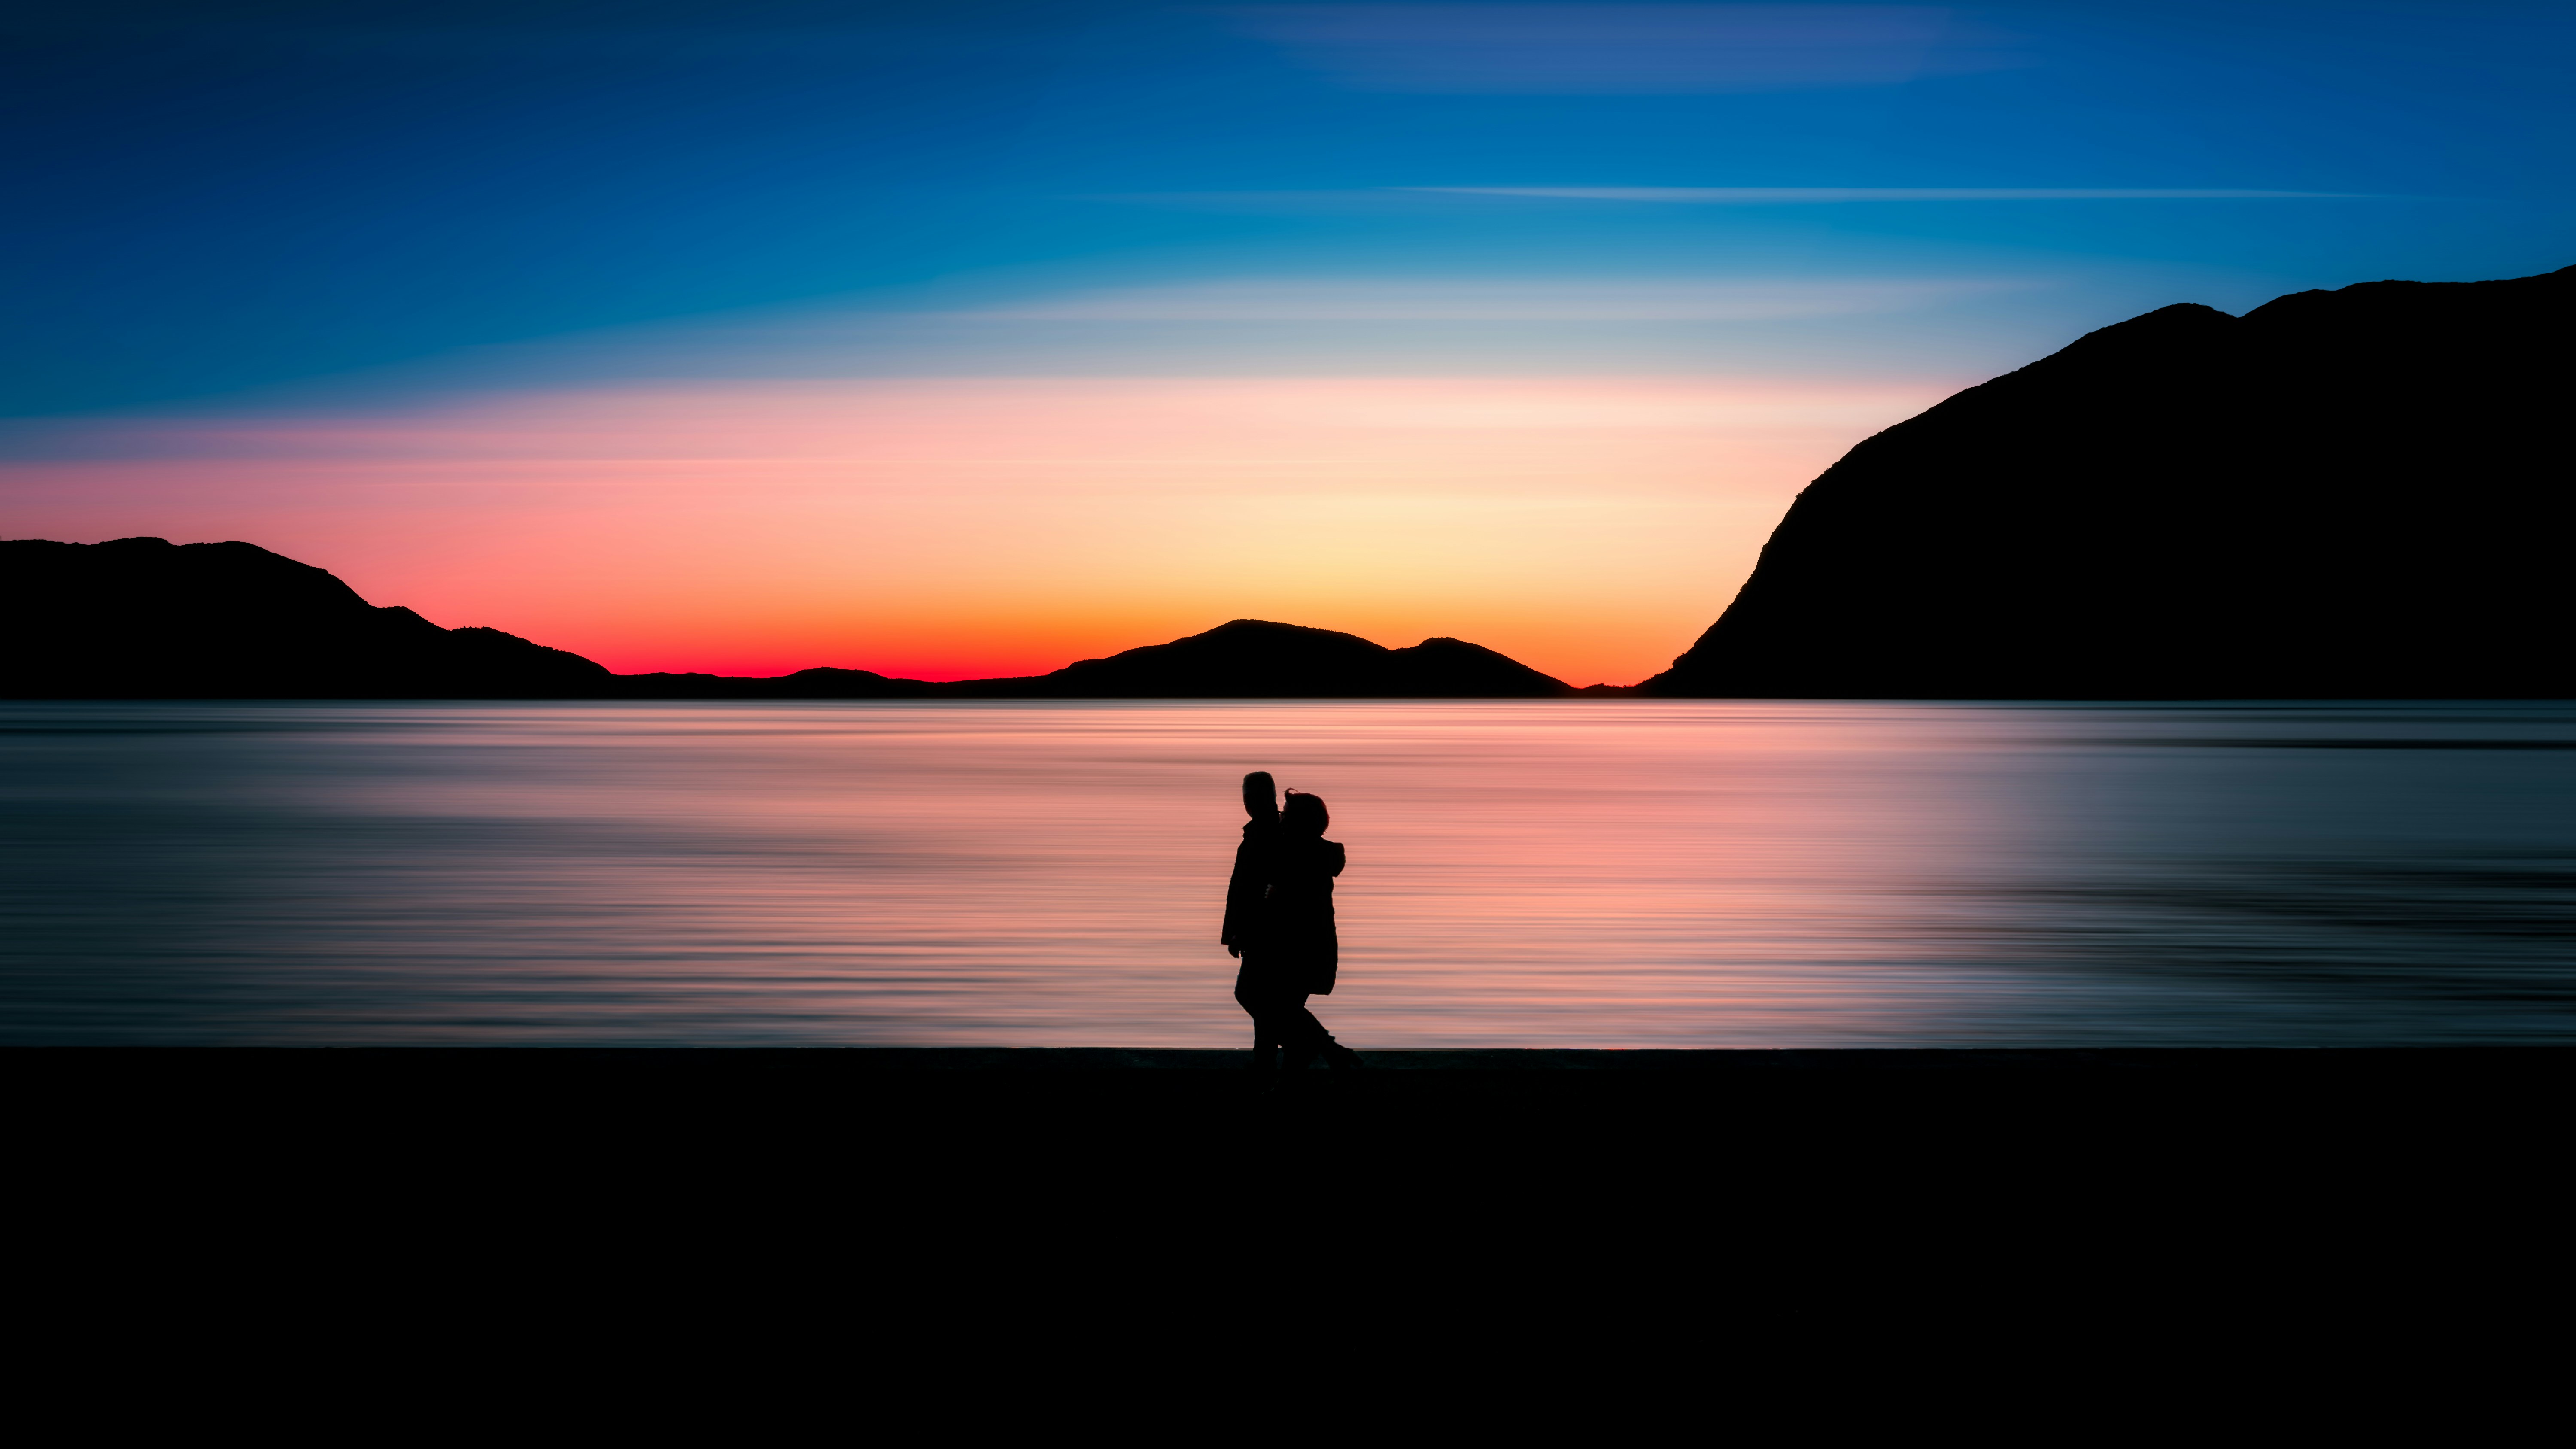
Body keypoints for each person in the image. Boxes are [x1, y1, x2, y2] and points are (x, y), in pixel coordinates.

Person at [1224, 771, 1364, 1075]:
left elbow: (1267, 898)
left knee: (1267, 1002)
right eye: (1249, 796)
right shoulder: (1285, 840)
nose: (1253, 802)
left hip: (1291, 946)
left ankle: (1317, 1049)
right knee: (1273, 1008)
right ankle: (1281, 1067)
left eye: (1260, 796)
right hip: (1290, 944)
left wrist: (1244, 931)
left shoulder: (1287, 843)